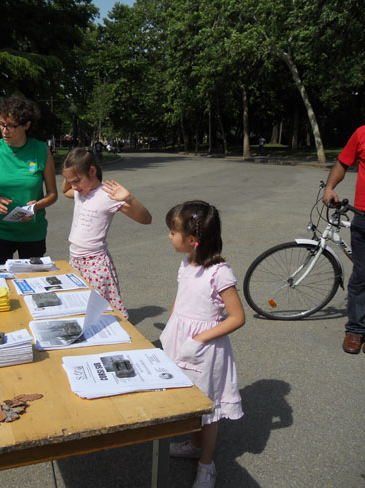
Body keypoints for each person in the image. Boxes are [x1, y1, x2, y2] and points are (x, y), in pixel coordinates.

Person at [160, 200, 244, 488]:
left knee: (207, 409)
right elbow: (181, 298)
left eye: (173, 232)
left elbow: (237, 317)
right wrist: (172, 326)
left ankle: (206, 464)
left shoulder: (219, 272)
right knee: (188, 401)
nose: (169, 236)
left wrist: (199, 338)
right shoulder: (186, 263)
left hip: (204, 350)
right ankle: (195, 447)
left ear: (192, 239)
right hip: (179, 340)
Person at [322, 80, 365, 356]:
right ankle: (355, 328)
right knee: (361, 275)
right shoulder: (364, 132)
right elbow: (343, 162)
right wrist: (330, 187)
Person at [62, 148, 152, 318]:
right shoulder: (79, 192)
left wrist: (129, 199)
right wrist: (70, 166)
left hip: (95, 264)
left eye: (76, 181)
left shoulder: (108, 195)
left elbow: (146, 219)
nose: (73, 186)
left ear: (92, 171)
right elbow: (65, 191)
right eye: (70, 182)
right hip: (75, 260)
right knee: (79, 308)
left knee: (101, 313)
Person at [0, 95, 58, 264]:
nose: (5, 130)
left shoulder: (41, 150)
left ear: (26, 125)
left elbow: (52, 194)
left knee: (31, 285)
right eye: (2, 124)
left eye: (11, 126)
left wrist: (37, 206)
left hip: (32, 233)